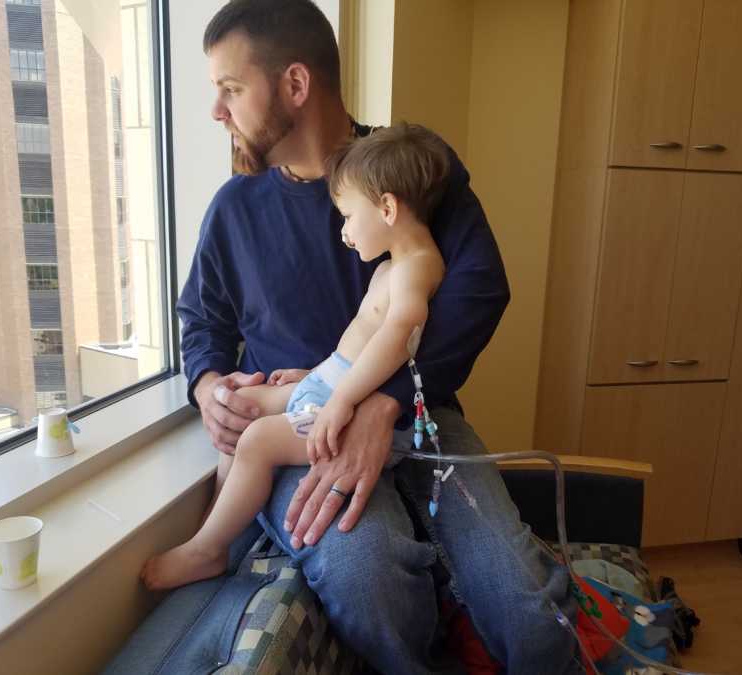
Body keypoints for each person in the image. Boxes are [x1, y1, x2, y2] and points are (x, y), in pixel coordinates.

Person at [178, 0, 579, 672]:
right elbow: (202, 324)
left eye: (230, 89)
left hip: (420, 415)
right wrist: (210, 386)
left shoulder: (406, 168)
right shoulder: (232, 211)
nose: (217, 112)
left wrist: (383, 398)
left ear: (295, 85)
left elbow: (482, 286)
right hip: (305, 424)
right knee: (371, 579)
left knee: (523, 606)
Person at [141, 123, 449, 591]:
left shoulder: (416, 269)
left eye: (348, 216)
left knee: (258, 442)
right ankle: (214, 530)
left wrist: (342, 399)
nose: (344, 232)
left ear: (386, 208)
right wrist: (316, 375)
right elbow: (361, 346)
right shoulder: (392, 265)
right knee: (242, 413)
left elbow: (397, 336)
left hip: (351, 413)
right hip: (332, 385)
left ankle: (208, 550)